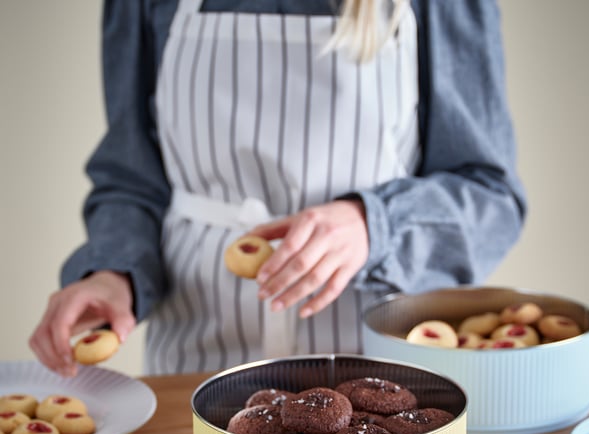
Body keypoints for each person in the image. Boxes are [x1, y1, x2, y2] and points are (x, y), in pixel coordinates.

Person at [29, 0, 527, 377]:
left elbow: (489, 197)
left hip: (373, 360)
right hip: (195, 357)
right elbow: (133, 177)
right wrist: (114, 272)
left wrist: (374, 225)